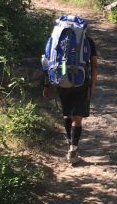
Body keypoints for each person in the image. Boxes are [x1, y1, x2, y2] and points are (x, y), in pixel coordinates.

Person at [42, 22, 99, 165]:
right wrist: (93, 84)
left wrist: (47, 85)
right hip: (81, 82)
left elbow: (46, 62)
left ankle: (70, 143)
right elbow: (94, 64)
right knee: (77, 118)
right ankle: (73, 148)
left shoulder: (54, 39)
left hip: (61, 80)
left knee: (67, 115)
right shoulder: (87, 40)